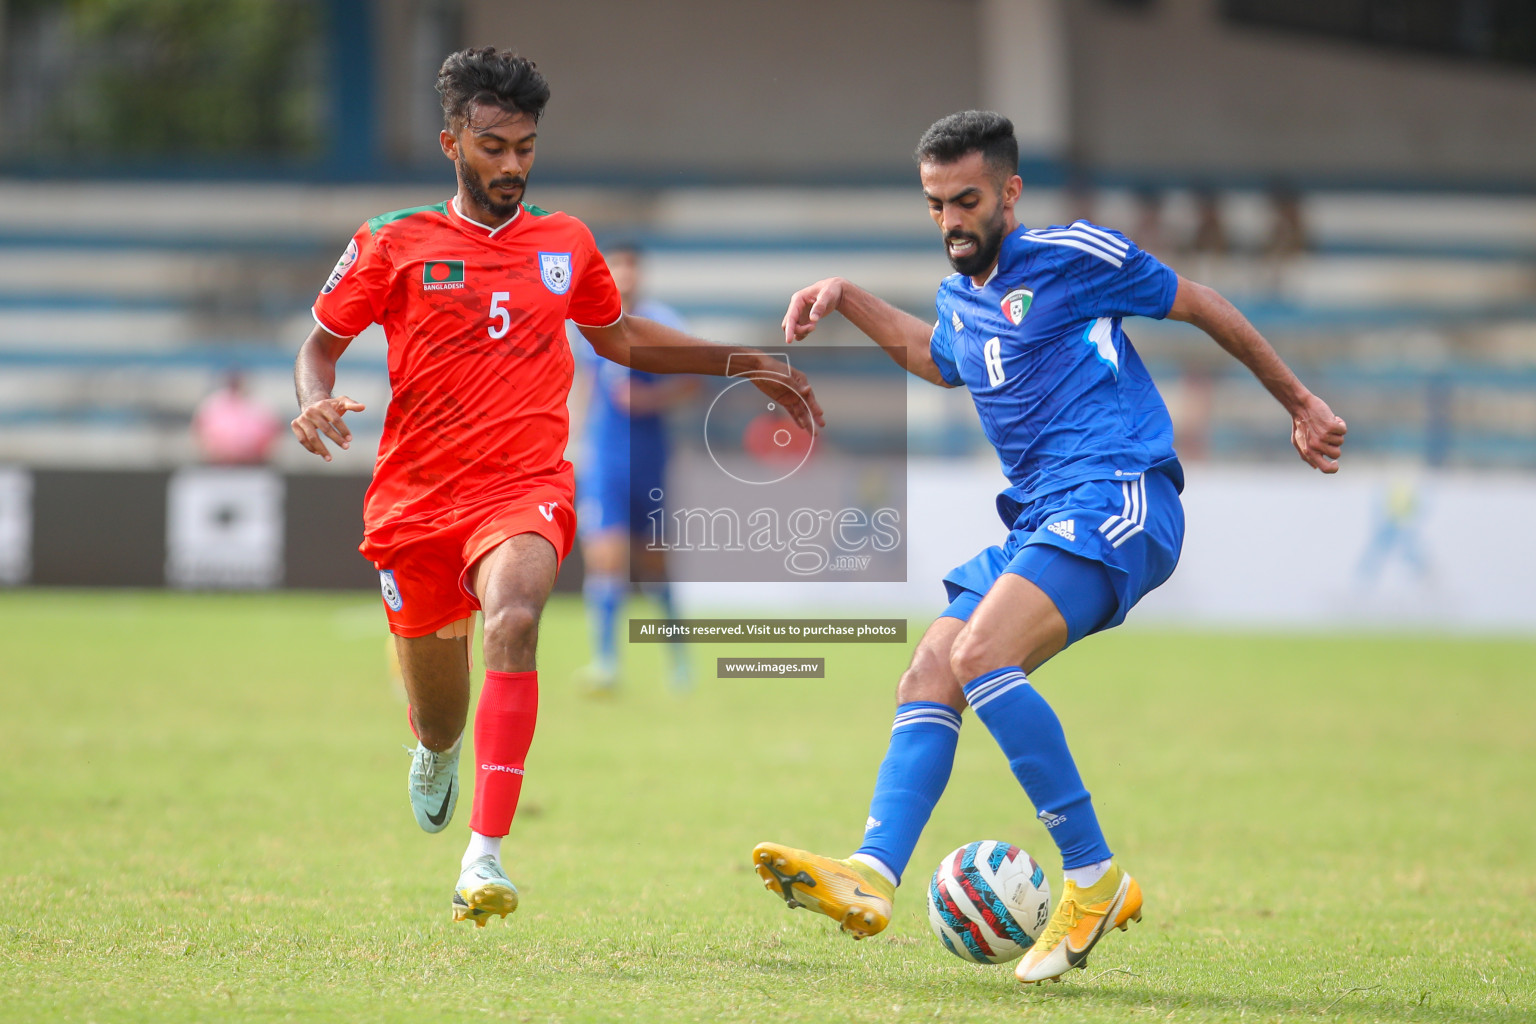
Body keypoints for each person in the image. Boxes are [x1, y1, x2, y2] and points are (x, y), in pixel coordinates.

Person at [751, 111, 1345, 984]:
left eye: (968, 200)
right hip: (1039, 517)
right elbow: (936, 353)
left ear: (1009, 192)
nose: (952, 219)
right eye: (936, 204)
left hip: (1120, 493)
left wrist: (1298, 401)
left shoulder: (1073, 255)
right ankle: (871, 875)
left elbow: (1201, 303)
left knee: (983, 651)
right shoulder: (964, 298)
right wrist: (845, 293)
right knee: (933, 669)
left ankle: (1095, 876)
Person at [290, 47, 822, 928]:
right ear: (451, 141)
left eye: (525, 147)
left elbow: (619, 339)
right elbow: (318, 346)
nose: (511, 165)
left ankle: (484, 859)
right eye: (493, 146)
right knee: (436, 715)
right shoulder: (391, 240)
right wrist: (312, 403)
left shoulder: (566, 243)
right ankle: (438, 748)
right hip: (415, 500)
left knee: (516, 615)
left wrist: (748, 361)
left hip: (524, 486)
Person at [573, 242, 697, 693]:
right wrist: (577, 442)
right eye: (617, 268)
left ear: (640, 273)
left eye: (631, 268)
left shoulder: (662, 322)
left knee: (653, 566)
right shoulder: (588, 320)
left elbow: (691, 381)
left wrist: (651, 400)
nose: (625, 276)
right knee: (605, 558)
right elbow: (586, 386)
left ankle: (680, 662)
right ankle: (605, 663)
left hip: (649, 459)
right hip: (605, 459)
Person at [192, 371, 281, 464]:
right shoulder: (212, 404)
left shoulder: (261, 406)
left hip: (253, 464)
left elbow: (275, 432)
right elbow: (198, 431)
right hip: (216, 464)